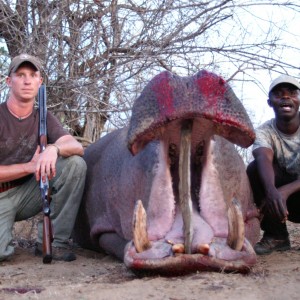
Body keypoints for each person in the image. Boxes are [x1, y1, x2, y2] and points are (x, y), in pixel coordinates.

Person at [0, 54, 87, 262]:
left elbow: (76, 146)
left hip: (28, 194)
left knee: (75, 164)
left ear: (40, 82)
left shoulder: (44, 117)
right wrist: (30, 167)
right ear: (9, 81)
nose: (27, 80)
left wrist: (53, 149)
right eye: (20, 75)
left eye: (33, 75)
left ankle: (54, 242)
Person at [247, 74, 300, 255]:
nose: (285, 97)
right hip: (281, 205)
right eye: (278, 94)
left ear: (299, 99)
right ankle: (277, 236)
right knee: (254, 169)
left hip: (290, 194)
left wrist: (284, 191)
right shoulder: (263, 131)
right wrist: (271, 191)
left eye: (292, 92)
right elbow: (263, 158)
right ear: (270, 102)